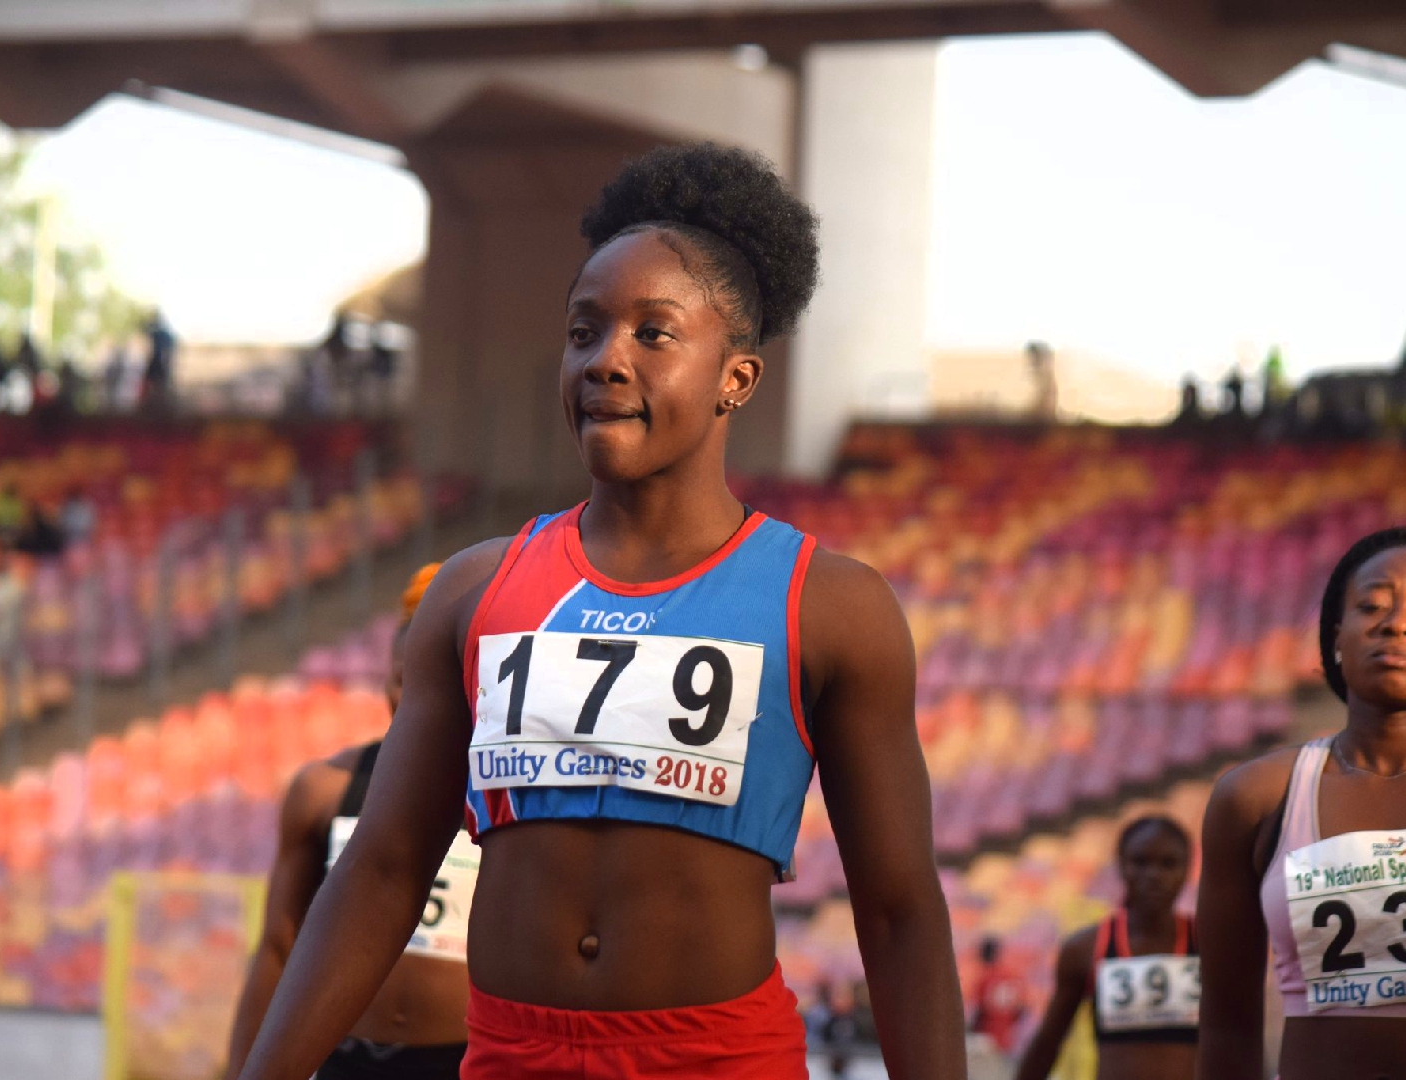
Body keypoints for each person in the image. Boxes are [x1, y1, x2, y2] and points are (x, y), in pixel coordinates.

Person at [234, 142, 964, 1080]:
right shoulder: (473, 591)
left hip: (716, 1064)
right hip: (510, 1059)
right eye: (584, 331)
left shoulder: (832, 607)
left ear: (737, 377)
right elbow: (381, 871)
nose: (606, 360)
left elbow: (899, 913)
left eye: (654, 334)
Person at [1197, 525, 1406, 1080]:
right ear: (1337, 637)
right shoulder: (1252, 798)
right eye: (1372, 606)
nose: (1397, 623)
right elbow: (1226, 1027)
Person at [226, 563, 474, 1080]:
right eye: (404, 680)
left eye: (445, 682)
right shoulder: (323, 790)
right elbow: (278, 947)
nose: (417, 698)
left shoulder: (511, 796)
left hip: (466, 1061)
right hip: (344, 1058)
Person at [1014, 816, 1198, 1080]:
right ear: (1121, 865)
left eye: (1168, 864)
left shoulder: (1207, 944)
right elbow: (1048, 1043)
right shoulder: (1086, 949)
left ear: (1187, 867)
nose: (1154, 875)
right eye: (1140, 862)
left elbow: (1236, 1035)